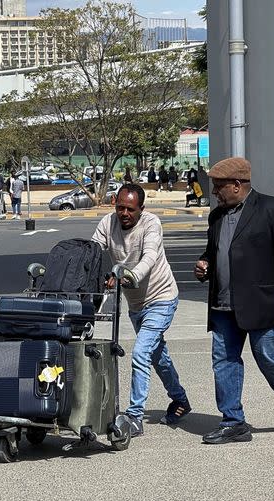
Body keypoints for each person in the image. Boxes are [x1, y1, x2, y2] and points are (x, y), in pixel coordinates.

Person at [194, 157, 274, 445]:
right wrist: (205, 264)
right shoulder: (216, 216)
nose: (214, 192)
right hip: (223, 305)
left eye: (218, 186)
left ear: (237, 185)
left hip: (263, 302)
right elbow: (214, 251)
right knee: (224, 360)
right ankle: (233, 422)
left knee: (268, 357)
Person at [91, 184, 190, 438]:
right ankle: (180, 400)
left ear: (141, 209)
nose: (124, 213)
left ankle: (135, 416)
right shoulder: (107, 223)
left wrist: (128, 275)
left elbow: (149, 257)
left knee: (140, 353)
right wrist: (92, 272)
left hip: (161, 298)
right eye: (120, 207)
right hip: (136, 304)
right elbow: (92, 251)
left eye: (130, 209)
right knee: (157, 356)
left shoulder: (151, 224)